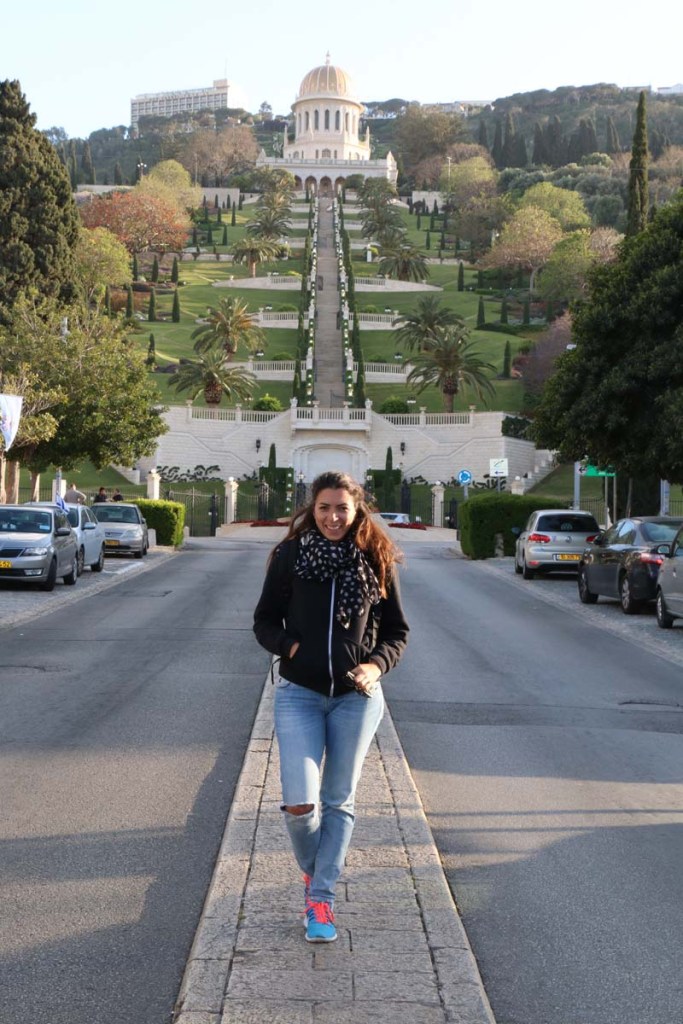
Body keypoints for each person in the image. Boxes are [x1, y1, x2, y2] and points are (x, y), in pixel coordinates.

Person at [253, 470, 409, 944]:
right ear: (311, 509)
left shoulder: (375, 558)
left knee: (338, 800)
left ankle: (320, 898)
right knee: (300, 802)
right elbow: (263, 622)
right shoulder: (290, 556)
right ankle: (318, 871)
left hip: (355, 699)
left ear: (357, 509)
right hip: (299, 694)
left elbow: (397, 632)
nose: (333, 517)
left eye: (342, 508)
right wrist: (291, 648)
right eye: (324, 507)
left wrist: (376, 667)